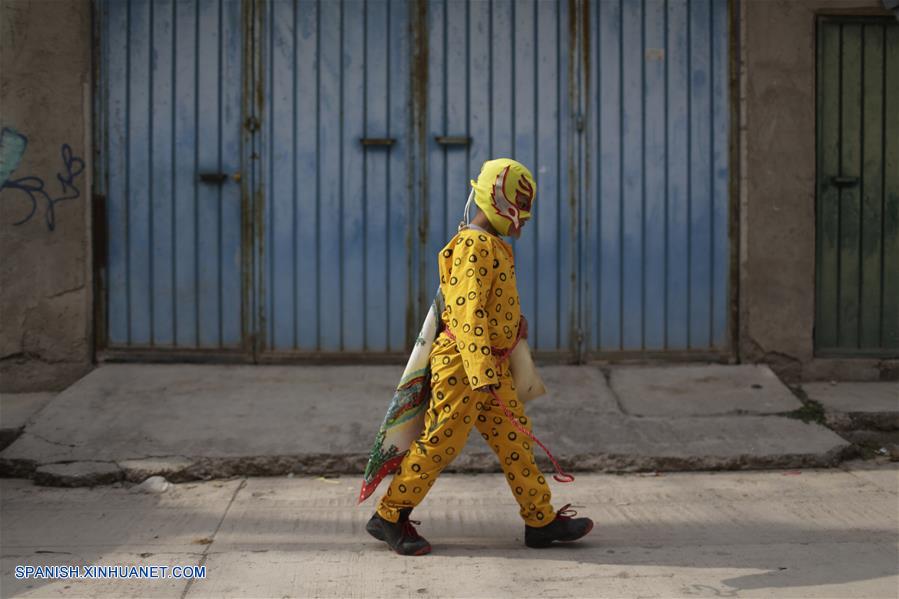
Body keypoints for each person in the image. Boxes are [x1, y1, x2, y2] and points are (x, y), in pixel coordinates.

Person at [365, 159, 594, 555]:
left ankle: (539, 520)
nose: (522, 224)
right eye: (518, 213)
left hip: (491, 365)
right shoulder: (474, 246)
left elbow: (484, 305)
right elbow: (468, 315)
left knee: (516, 440)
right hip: (465, 367)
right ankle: (389, 515)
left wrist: (513, 325)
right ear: (497, 204)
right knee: (441, 442)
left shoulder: (490, 245)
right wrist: (480, 369)